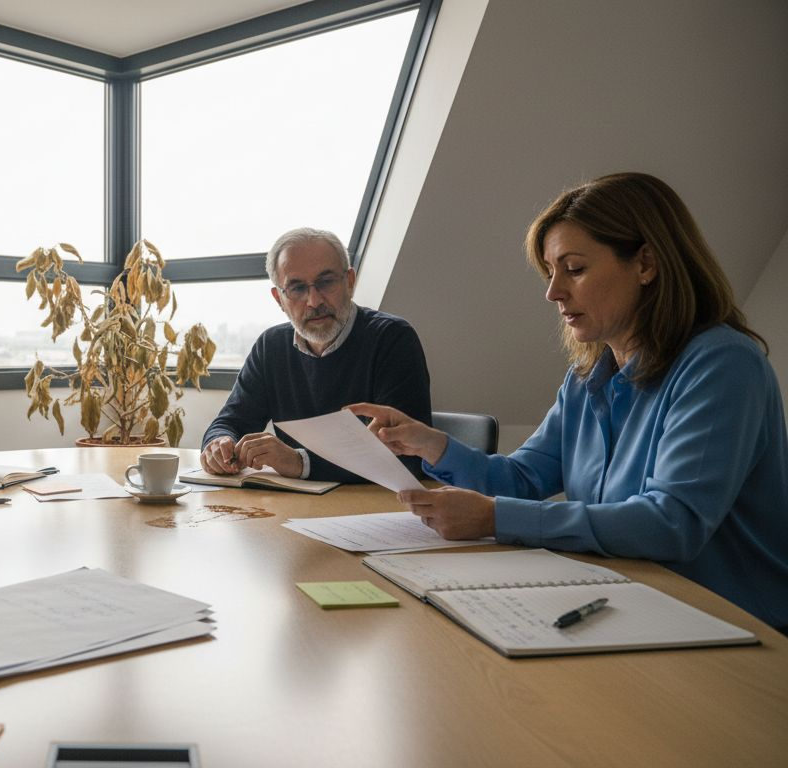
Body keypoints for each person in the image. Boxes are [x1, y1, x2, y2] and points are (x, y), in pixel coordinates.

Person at [353, 172, 788, 632]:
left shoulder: (722, 364)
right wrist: (432, 446)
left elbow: (670, 523)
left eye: (574, 269)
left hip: (733, 625)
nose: (553, 292)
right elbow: (522, 479)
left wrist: (495, 518)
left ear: (646, 264)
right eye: (550, 272)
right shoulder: (588, 375)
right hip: (628, 603)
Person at [200, 227, 431, 483]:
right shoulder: (271, 346)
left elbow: (404, 456)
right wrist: (218, 444)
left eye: (326, 282)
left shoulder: (392, 338)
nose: (313, 300)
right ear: (279, 298)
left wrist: (298, 462)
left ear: (350, 282)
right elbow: (230, 421)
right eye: (297, 288)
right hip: (295, 509)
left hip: (374, 508)